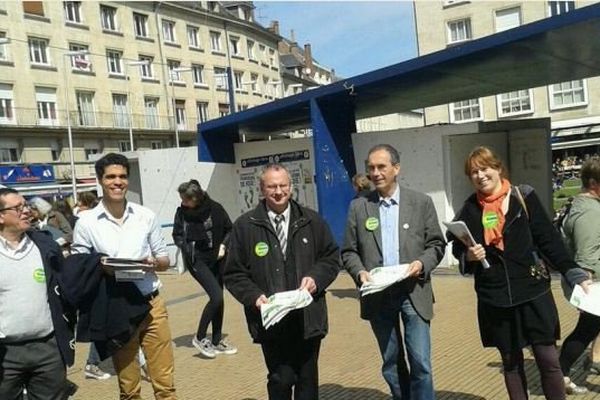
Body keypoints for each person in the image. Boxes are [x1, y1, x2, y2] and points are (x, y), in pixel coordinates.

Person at [447, 146, 591, 400]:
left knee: (548, 359)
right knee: (511, 362)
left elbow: (548, 240)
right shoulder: (469, 210)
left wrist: (572, 272)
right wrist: (468, 257)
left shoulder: (523, 196)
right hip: (495, 296)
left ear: (498, 168)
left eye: (485, 168)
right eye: (474, 172)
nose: (481, 175)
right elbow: (459, 246)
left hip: (532, 290)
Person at [224, 163, 339, 400]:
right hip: (271, 319)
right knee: (281, 378)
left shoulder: (312, 221)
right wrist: (253, 296)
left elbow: (330, 258)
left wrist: (316, 278)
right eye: (271, 186)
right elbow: (234, 273)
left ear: (291, 187)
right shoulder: (245, 226)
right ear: (261, 189)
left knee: (307, 381)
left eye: (283, 185)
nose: (278, 191)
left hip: (307, 318)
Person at [342, 144, 446, 400]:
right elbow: (348, 251)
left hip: (413, 291)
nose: (375, 173)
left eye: (381, 167)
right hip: (379, 295)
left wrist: (422, 263)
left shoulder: (421, 202)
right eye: (371, 168)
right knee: (391, 362)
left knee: (420, 361)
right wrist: (360, 273)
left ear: (396, 168)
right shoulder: (359, 206)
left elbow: (436, 244)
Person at [71, 153, 177, 400]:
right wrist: (101, 266)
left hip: (152, 303)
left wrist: (154, 263)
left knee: (165, 385)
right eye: (111, 177)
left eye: (122, 176)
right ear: (100, 180)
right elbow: (78, 266)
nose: (117, 182)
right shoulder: (87, 222)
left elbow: (165, 259)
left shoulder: (145, 215)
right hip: (117, 306)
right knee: (129, 389)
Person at [0, 188, 76, 399]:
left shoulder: (44, 244)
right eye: (18, 208)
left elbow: (66, 286)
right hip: (5, 354)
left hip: (48, 348)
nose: (26, 211)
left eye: (26, 205)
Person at [172, 179, 237, 359]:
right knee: (215, 296)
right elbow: (177, 234)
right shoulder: (182, 213)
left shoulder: (215, 208)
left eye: (186, 200)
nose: (183, 203)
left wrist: (223, 246)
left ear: (196, 198)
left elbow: (229, 229)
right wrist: (185, 247)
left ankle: (216, 341)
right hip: (197, 260)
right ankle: (200, 337)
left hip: (217, 258)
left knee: (219, 300)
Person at [559, 156, 600, 394]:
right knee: (585, 330)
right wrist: (586, 293)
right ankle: (560, 373)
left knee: (585, 330)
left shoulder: (588, 207)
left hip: (590, 282)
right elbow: (585, 253)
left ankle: (561, 373)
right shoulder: (589, 212)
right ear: (594, 183)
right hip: (592, 283)